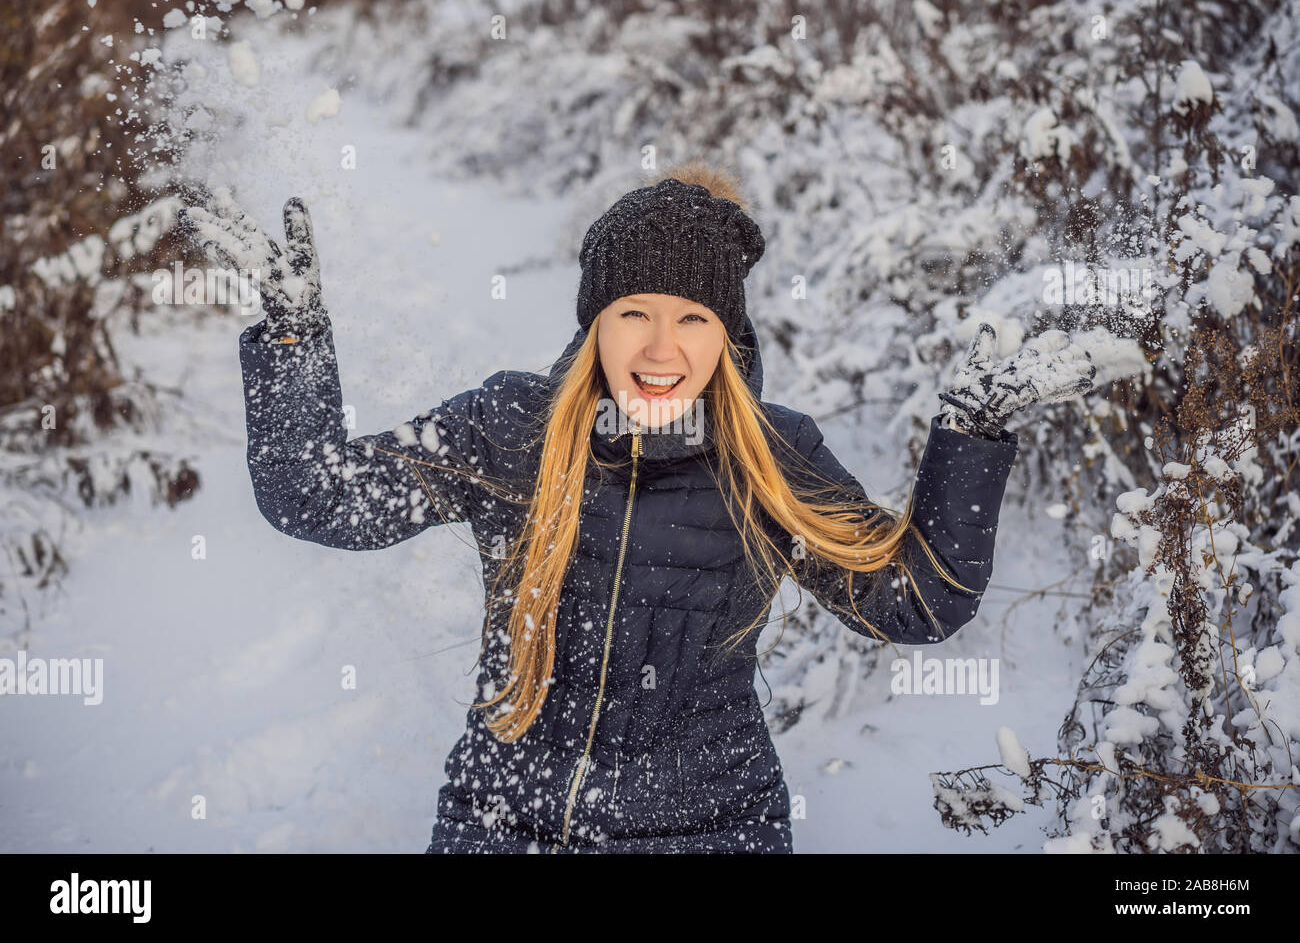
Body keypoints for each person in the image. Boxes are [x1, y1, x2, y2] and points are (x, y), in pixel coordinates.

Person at [177, 162, 1096, 853]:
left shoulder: (772, 458)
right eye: (634, 314)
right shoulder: (512, 427)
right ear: (593, 325)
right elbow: (318, 495)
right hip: (504, 822)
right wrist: (293, 335)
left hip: (709, 827)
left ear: (728, 337)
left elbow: (917, 600)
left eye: (694, 318)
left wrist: (970, 436)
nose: (663, 346)